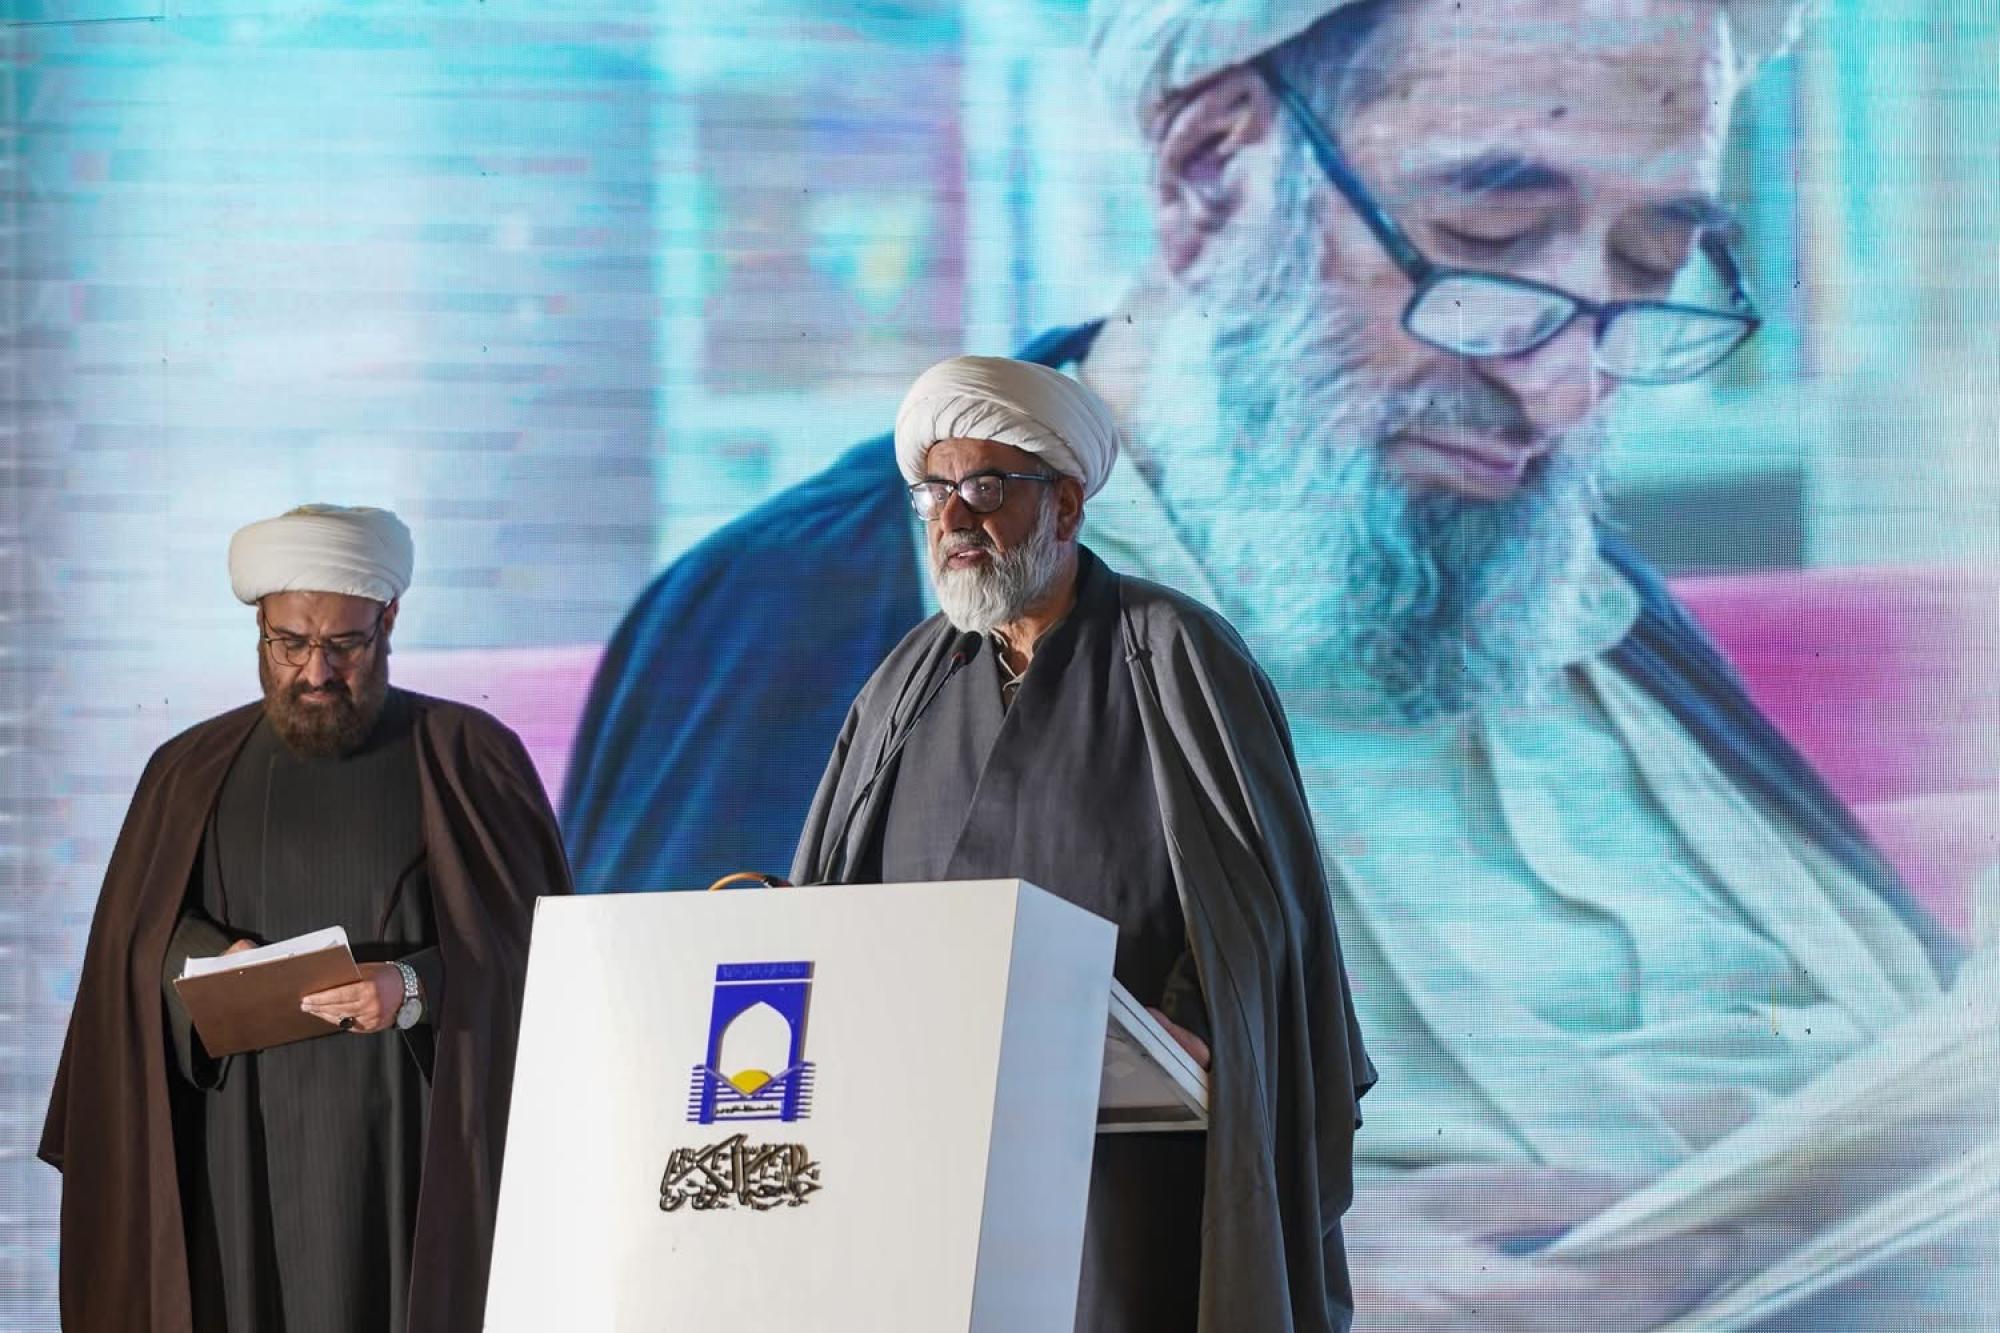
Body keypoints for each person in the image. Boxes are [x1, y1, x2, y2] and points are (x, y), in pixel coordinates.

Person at [566, 1, 1978, 1327]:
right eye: (1486, 239)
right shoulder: (821, 607)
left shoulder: (1554, 576)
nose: (1563, 385)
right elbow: (681, 1227)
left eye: (1646, 269)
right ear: (1208, 170)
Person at [794, 355, 1372, 1333]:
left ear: (1063, 503)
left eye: (985, 487)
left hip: (1127, 1153)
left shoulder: (1174, 650)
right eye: (933, 491)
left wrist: (1194, 1023)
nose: (953, 517)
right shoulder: (904, 682)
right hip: (929, 1143)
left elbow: (1252, 900)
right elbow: (831, 889)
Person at [40, 504, 573, 1333]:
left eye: (344, 644)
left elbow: (543, 959)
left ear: (389, 619)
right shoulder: (185, 770)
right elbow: (131, 955)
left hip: (406, 1157)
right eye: (289, 643)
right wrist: (206, 963)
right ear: (259, 626)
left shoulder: (469, 756)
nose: (316, 671)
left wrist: (411, 987)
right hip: (235, 1154)